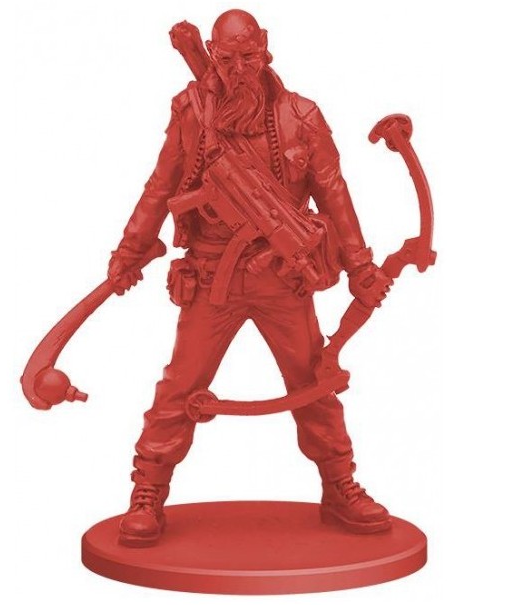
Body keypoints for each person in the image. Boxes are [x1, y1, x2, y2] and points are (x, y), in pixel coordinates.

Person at [108, 9, 392, 547]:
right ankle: (148, 490)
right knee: (179, 388)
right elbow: (162, 184)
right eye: (226, 59)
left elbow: (333, 190)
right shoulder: (192, 110)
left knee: (314, 385)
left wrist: (359, 264)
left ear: (266, 48)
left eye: (249, 56)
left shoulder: (302, 115)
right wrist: (131, 249)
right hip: (210, 276)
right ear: (212, 55)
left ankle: (340, 486)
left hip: (284, 279)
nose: (238, 69)